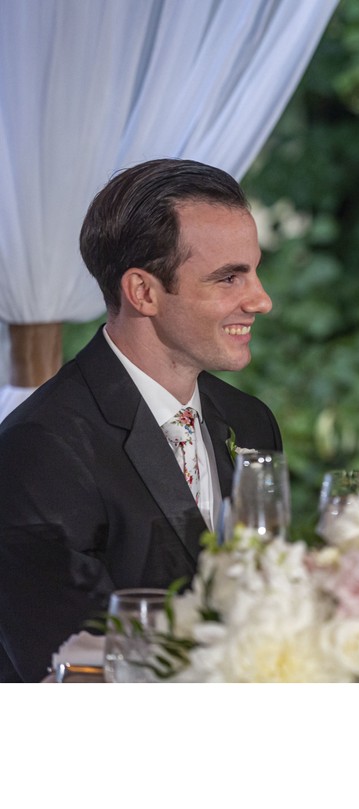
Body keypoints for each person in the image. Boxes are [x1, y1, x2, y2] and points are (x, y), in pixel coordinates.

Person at [0, 158, 282, 682]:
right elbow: (75, 672)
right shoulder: (38, 450)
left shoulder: (251, 421)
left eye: (255, 270)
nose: (261, 299)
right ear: (144, 292)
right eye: (229, 278)